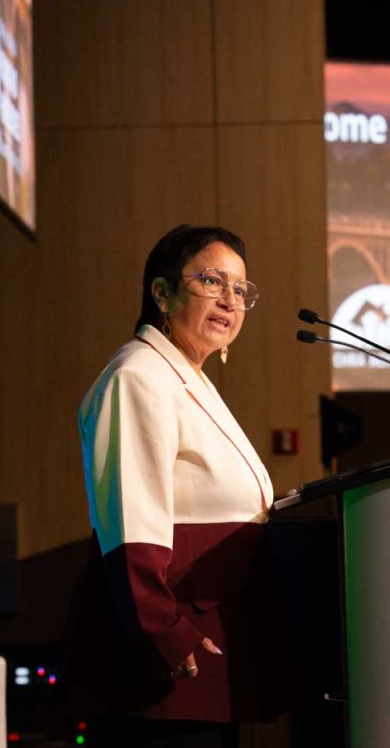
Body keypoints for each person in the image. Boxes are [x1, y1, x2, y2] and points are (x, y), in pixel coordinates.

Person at [64, 225, 280, 747]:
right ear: (161, 293)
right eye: (211, 281)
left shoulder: (184, 376)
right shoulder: (138, 376)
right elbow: (131, 524)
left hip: (209, 648)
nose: (229, 300)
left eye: (239, 288)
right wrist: (163, 632)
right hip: (164, 663)